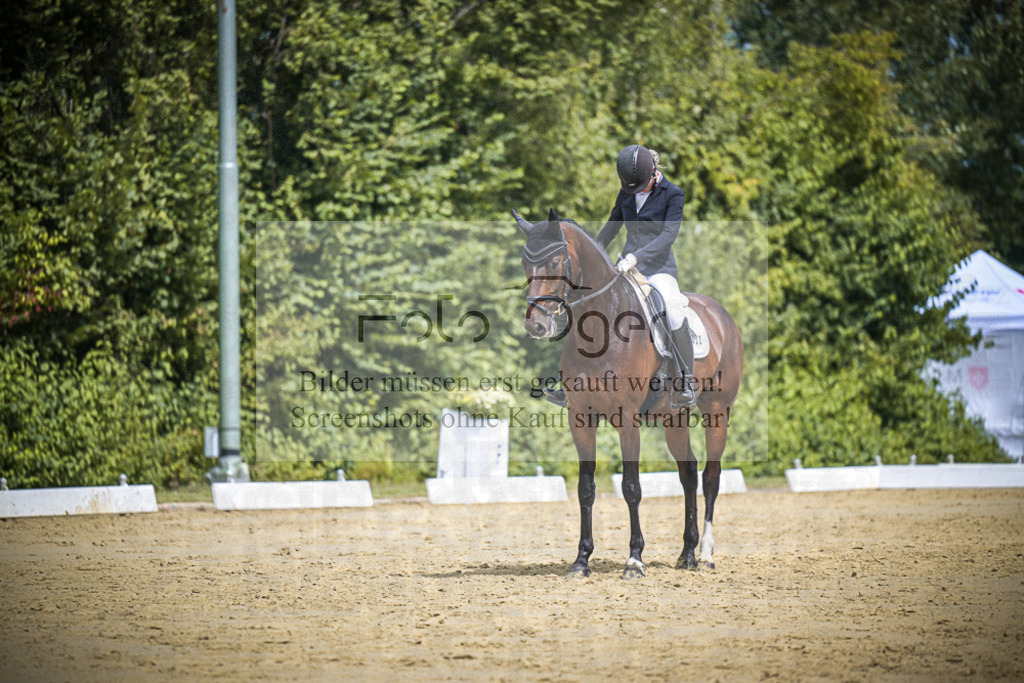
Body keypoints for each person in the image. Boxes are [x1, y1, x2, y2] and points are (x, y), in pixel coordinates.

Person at [545, 144, 696, 409]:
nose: (635, 193)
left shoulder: (673, 194)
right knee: (588, 306)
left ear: (653, 173)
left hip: (658, 269)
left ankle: (685, 381)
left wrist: (637, 258)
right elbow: (611, 227)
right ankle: (570, 381)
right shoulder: (626, 192)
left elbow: (667, 237)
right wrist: (593, 254)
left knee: (673, 308)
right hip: (624, 268)